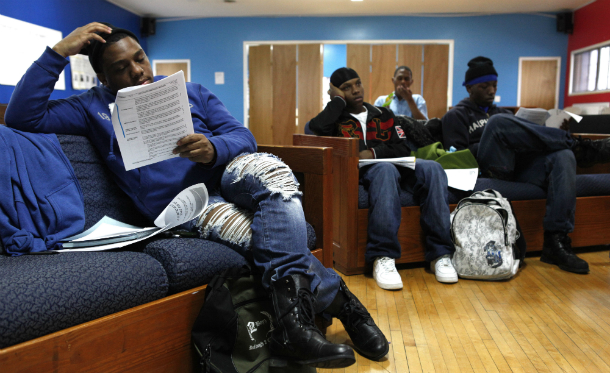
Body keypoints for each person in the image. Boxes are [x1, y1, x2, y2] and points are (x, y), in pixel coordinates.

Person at [4, 22, 390, 367]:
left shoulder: (190, 92)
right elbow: (22, 117)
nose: (137, 71)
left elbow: (244, 138)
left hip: (229, 174)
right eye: (121, 68)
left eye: (139, 59)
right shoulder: (91, 108)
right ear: (104, 77)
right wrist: (58, 53)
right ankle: (346, 309)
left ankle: (298, 325)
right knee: (260, 238)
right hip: (188, 205)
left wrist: (212, 148)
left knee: (275, 171)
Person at [442, 56, 610, 274]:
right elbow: (457, 157)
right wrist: (490, 140)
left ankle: (556, 242)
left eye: (494, 85)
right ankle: (585, 148)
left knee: (563, 156)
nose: (491, 91)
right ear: (469, 88)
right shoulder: (455, 116)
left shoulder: (505, 113)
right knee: (497, 124)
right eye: (485, 86)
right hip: (489, 166)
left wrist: (555, 130)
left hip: (519, 166)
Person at [309, 67, 458, 290]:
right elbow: (314, 129)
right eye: (347, 88)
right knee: (385, 170)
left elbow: (402, 146)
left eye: (357, 84)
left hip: (398, 163)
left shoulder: (384, 114)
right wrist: (337, 102)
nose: (355, 90)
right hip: (362, 173)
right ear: (336, 92)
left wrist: (372, 153)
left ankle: (441, 254)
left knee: (434, 168)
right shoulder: (334, 120)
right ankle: (383, 256)